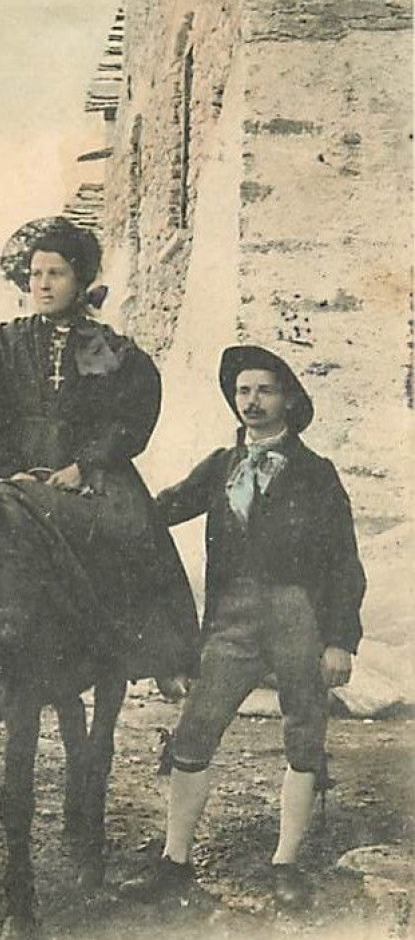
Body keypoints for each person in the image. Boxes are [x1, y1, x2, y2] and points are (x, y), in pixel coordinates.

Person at [0, 216, 199, 725]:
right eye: (35, 274)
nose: (42, 284)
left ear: (79, 280)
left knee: (132, 529)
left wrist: (84, 465)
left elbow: (130, 415)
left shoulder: (112, 352)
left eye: (55, 273)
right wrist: (7, 467)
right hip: (7, 468)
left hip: (85, 470)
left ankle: (154, 656)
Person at [120, 344, 366, 909]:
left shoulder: (316, 475)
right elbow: (159, 510)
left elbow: (344, 563)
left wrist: (338, 641)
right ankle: (175, 860)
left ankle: (285, 864)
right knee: (194, 732)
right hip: (231, 616)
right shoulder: (221, 465)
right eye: (243, 391)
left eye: (265, 390)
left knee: (304, 735)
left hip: (296, 614)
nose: (252, 402)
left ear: (289, 399)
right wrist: (101, 495)